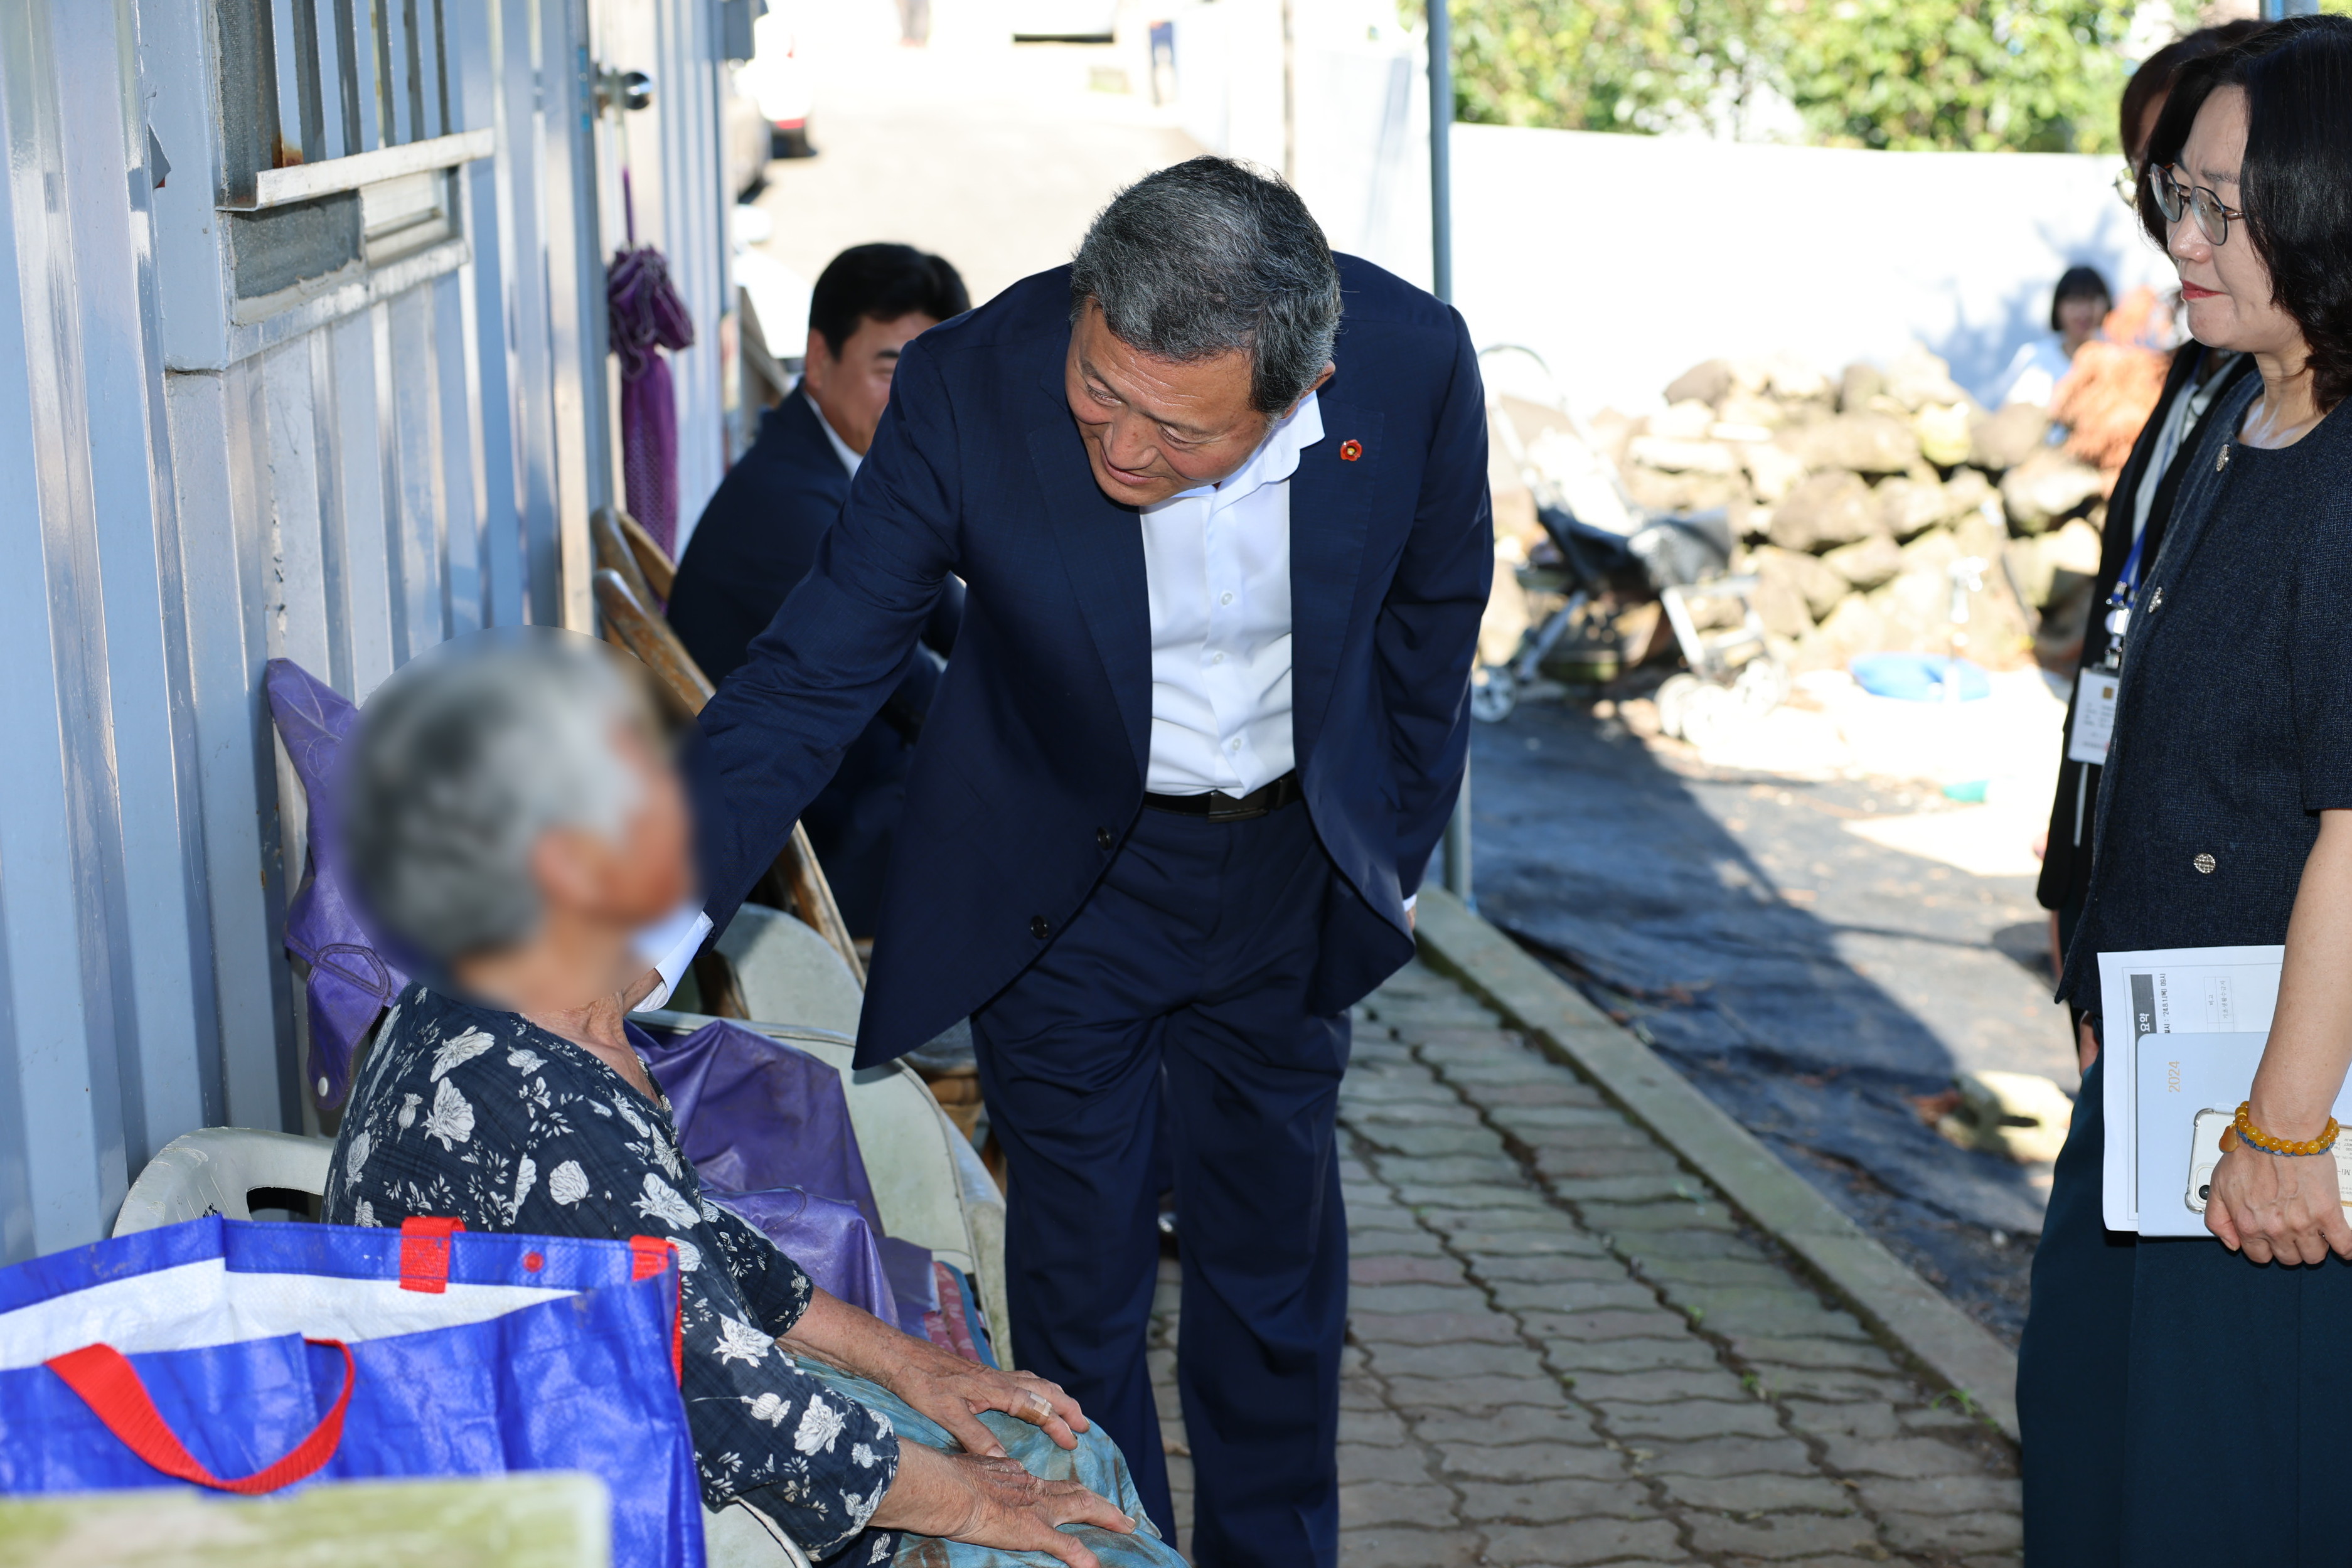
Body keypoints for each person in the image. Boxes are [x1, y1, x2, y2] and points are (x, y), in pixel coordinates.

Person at [670, 157, 1491, 1565]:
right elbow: (817, 670)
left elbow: (1432, 620)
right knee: (1080, 1291)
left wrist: (1386, 852)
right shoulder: (970, 382)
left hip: (1289, 874)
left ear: (1298, 386)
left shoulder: (1413, 367)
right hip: (1065, 886)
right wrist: (630, 915)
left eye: (1177, 430)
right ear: (1089, 305)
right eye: (1099, 391)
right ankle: (1103, 1555)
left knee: (1271, 1287)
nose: (1119, 449)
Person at [327, 631, 1182, 1568]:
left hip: (552, 1437)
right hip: (567, 1508)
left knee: (1053, 1453)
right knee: (1065, 1513)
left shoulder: (481, 1000)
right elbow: (757, 1421)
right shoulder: (549, 1102)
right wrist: (975, 1506)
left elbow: (693, 1240)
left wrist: (911, 1361)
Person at [2018, 18, 2352, 1560]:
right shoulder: (2233, 408)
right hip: (2165, 1074)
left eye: (2228, 204)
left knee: (2228, 1494)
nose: (2183, 238)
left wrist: (2283, 1133)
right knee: (2101, 1466)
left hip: (2273, 1125)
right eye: (2177, 195)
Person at [2035, 18, 2265, 1070]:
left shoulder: (2294, 416)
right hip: (2117, 890)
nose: (2170, 222)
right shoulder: (2191, 378)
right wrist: (2072, 867)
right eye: (2152, 182)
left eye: (2197, 188)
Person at [668, 244, 971, 935]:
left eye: (933, 375)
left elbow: (956, 618)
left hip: (842, 795)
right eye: (888, 368)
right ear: (818, 356)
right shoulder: (795, 506)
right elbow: (929, 702)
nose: (912, 400)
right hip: (808, 854)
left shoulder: (838, 467)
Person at [1997, 264, 2113, 407]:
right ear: (2058, 307)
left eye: (2091, 299)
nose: (2084, 310)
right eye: (2074, 300)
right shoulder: (2035, 357)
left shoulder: (2121, 360)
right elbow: (2013, 417)